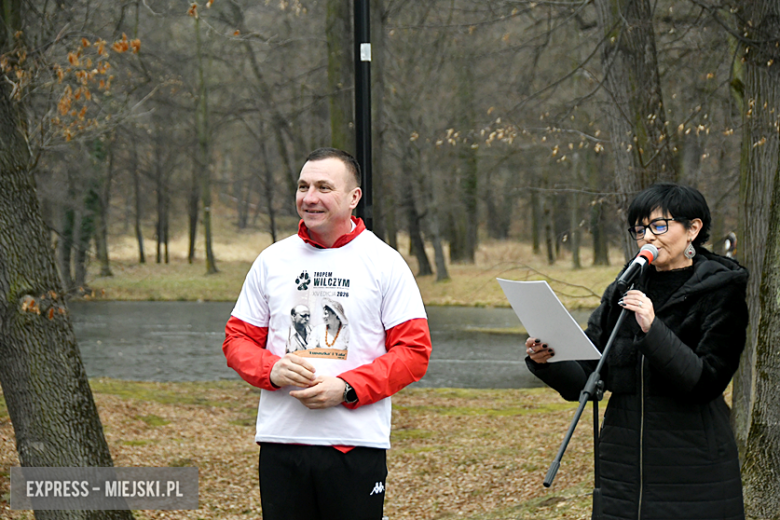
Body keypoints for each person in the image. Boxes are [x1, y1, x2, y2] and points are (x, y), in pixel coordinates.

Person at [222, 147, 432, 520]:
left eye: (323, 187)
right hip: (281, 443)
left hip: (354, 446)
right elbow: (237, 340)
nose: (310, 197)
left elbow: (414, 353)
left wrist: (348, 388)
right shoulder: (272, 260)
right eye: (303, 186)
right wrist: (271, 370)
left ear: (354, 198)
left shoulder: (385, 263)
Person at [524, 183, 748, 520]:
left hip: (692, 466)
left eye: (659, 226)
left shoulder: (721, 291)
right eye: (640, 229)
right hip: (622, 464)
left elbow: (707, 381)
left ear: (693, 229)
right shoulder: (625, 287)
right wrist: (549, 360)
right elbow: (589, 375)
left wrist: (653, 328)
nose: (648, 238)